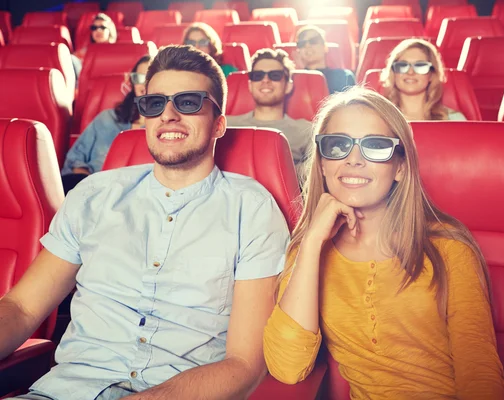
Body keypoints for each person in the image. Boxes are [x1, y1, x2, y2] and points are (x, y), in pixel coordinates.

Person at [0, 45, 289, 400]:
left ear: (219, 124)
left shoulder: (253, 209)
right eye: (155, 104)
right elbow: (22, 307)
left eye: (188, 102)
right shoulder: (94, 196)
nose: (168, 115)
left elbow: (246, 364)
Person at [263, 86, 504, 399]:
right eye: (337, 145)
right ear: (322, 163)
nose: (354, 160)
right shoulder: (310, 251)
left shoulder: (448, 248)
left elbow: (479, 372)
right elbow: (287, 368)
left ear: (401, 166)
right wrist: (310, 244)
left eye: (375, 146)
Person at [61, 54, 151, 194]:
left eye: (150, 78)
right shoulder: (107, 118)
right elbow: (75, 159)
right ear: (132, 82)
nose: (144, 84)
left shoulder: (164, 129)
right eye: (138, 78)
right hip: (90, 190)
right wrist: (91, 186)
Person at [227, 48, 312, 174]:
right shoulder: (227, 125)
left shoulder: (305, 130)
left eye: (275, 75)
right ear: (250, 85)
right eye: (258, 76)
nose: (265, 80)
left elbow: (314, 175)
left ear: (288, 86)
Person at [380, 38, 467, 121]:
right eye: (402, 65)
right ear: (393, 73)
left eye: (420, 66)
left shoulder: (453, 119)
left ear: (432, 74)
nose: (410, 72)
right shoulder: (378, 117)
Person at [295, 25, 356, 94]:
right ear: (298, 52)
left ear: (325, 47)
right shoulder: (293, 80)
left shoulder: (344, 77)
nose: (307, 45)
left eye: (313, 41)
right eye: (302, 44)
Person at [72, 13, 117, 78]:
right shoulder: (86, 51)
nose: (98, 30)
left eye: (102, 27)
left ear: (110, 31)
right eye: (94, 28)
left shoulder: (117, 51)